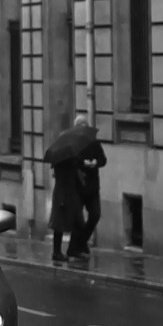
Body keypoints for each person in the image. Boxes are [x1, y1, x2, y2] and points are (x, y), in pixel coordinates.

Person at [44, 111, 106, 263]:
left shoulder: (92, 143)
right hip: (68, 191)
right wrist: (79, 164)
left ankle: (76, 247)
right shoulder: (67, 152)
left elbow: (102, 159)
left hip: (84, 188)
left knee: (89, 217)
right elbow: (64, 171)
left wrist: (93, 163)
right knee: (64, 222)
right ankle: (63, 251)